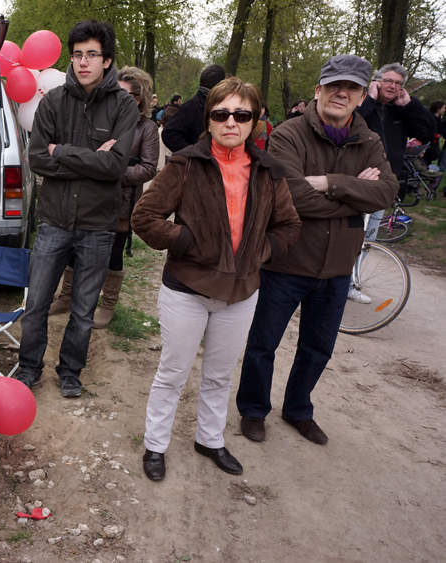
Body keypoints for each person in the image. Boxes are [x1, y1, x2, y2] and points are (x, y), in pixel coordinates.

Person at [131, 77, 301, 481]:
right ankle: (156, 446)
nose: (231, 122)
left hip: (240, 294)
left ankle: (209, 439)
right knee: (173, 373)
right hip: (187, 290)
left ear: (255, 121)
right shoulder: (185, 164)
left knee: (220, 374)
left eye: (242, 114)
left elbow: (289, 225)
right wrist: (185, 240)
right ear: (208, 120)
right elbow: (144, 217)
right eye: (221, 114)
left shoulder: (268, 171)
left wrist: (260, 252)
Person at [236, 55, 399, 446]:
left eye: (352, 88)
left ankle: (298, 410)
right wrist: (356, 192)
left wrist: (328, 181)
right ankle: (254, 410)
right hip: (287, 261)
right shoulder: (289, 134)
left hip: (338, 267)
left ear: (362, 96)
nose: (341, 93)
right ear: (318, 90)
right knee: (263, 344)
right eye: (334, 86)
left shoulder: (370, 140)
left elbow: (388, 192)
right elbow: (291, 198)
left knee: (318, 347)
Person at [15, 20, 138, 398]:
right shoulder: (53, 101)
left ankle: (70, 372)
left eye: (92, 55)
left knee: (83, 311)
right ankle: (29, 368)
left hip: (98, 226)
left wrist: (62, 152)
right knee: (36, 304)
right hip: (53, 221)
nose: (83, 62)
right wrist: (88, 158)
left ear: (107, 60)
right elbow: (37, 158)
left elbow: (115, 166)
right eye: (78, 55)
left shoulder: (124, 105)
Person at [47, 65, 160, 329]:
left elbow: (147, 168)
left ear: (138, 97)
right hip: (86, 197)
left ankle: (107, 304)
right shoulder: (101, 118)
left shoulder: (147, 129)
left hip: (120, 203)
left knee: (113, 254)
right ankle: (66, 297)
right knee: (75, 249)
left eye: (121, 93)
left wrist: (109, 169)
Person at [353, 63, 436, 303]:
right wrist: (368, 99)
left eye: (398, 83)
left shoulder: (402, 112)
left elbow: (428, 131)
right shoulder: (361, 103)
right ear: (377, 81)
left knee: (368, 237)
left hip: (385, 182)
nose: (393, 86)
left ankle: (350, 281)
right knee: (345, 232)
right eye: (388, 81)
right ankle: (331, 279)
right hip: (357, 179)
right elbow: (349, 123)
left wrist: (410, 105)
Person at [161, 65, 226, 153]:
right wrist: (193, 154)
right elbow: (169, 133)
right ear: (221, 83)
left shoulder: (211, 105)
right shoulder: (191, 107)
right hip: (200, 163)